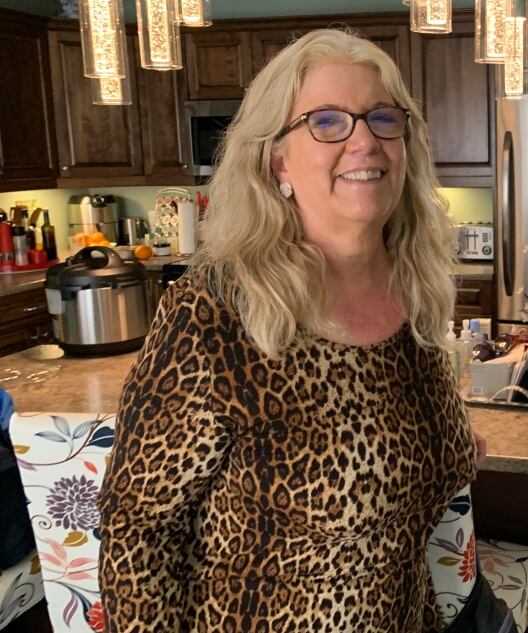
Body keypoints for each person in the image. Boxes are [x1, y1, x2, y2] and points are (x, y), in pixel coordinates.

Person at [98, 28, 485, 632]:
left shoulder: (419, 289)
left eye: (382, 118)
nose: (365, 141)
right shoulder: (215, 314)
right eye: (328, 122)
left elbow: (393, 455)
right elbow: (138, 531)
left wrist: (448, 445)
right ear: (277, 157)